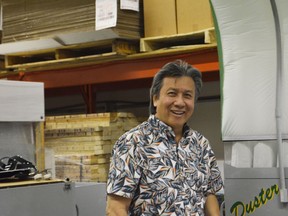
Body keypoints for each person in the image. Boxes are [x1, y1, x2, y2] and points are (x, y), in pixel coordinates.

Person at [106, 59, 223, 216]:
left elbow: (210, 194)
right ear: (155, 98)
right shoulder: (133, 143)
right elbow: (115, 209)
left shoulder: (201, 144)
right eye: (172, 93)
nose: (180, 102)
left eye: (187, 95)